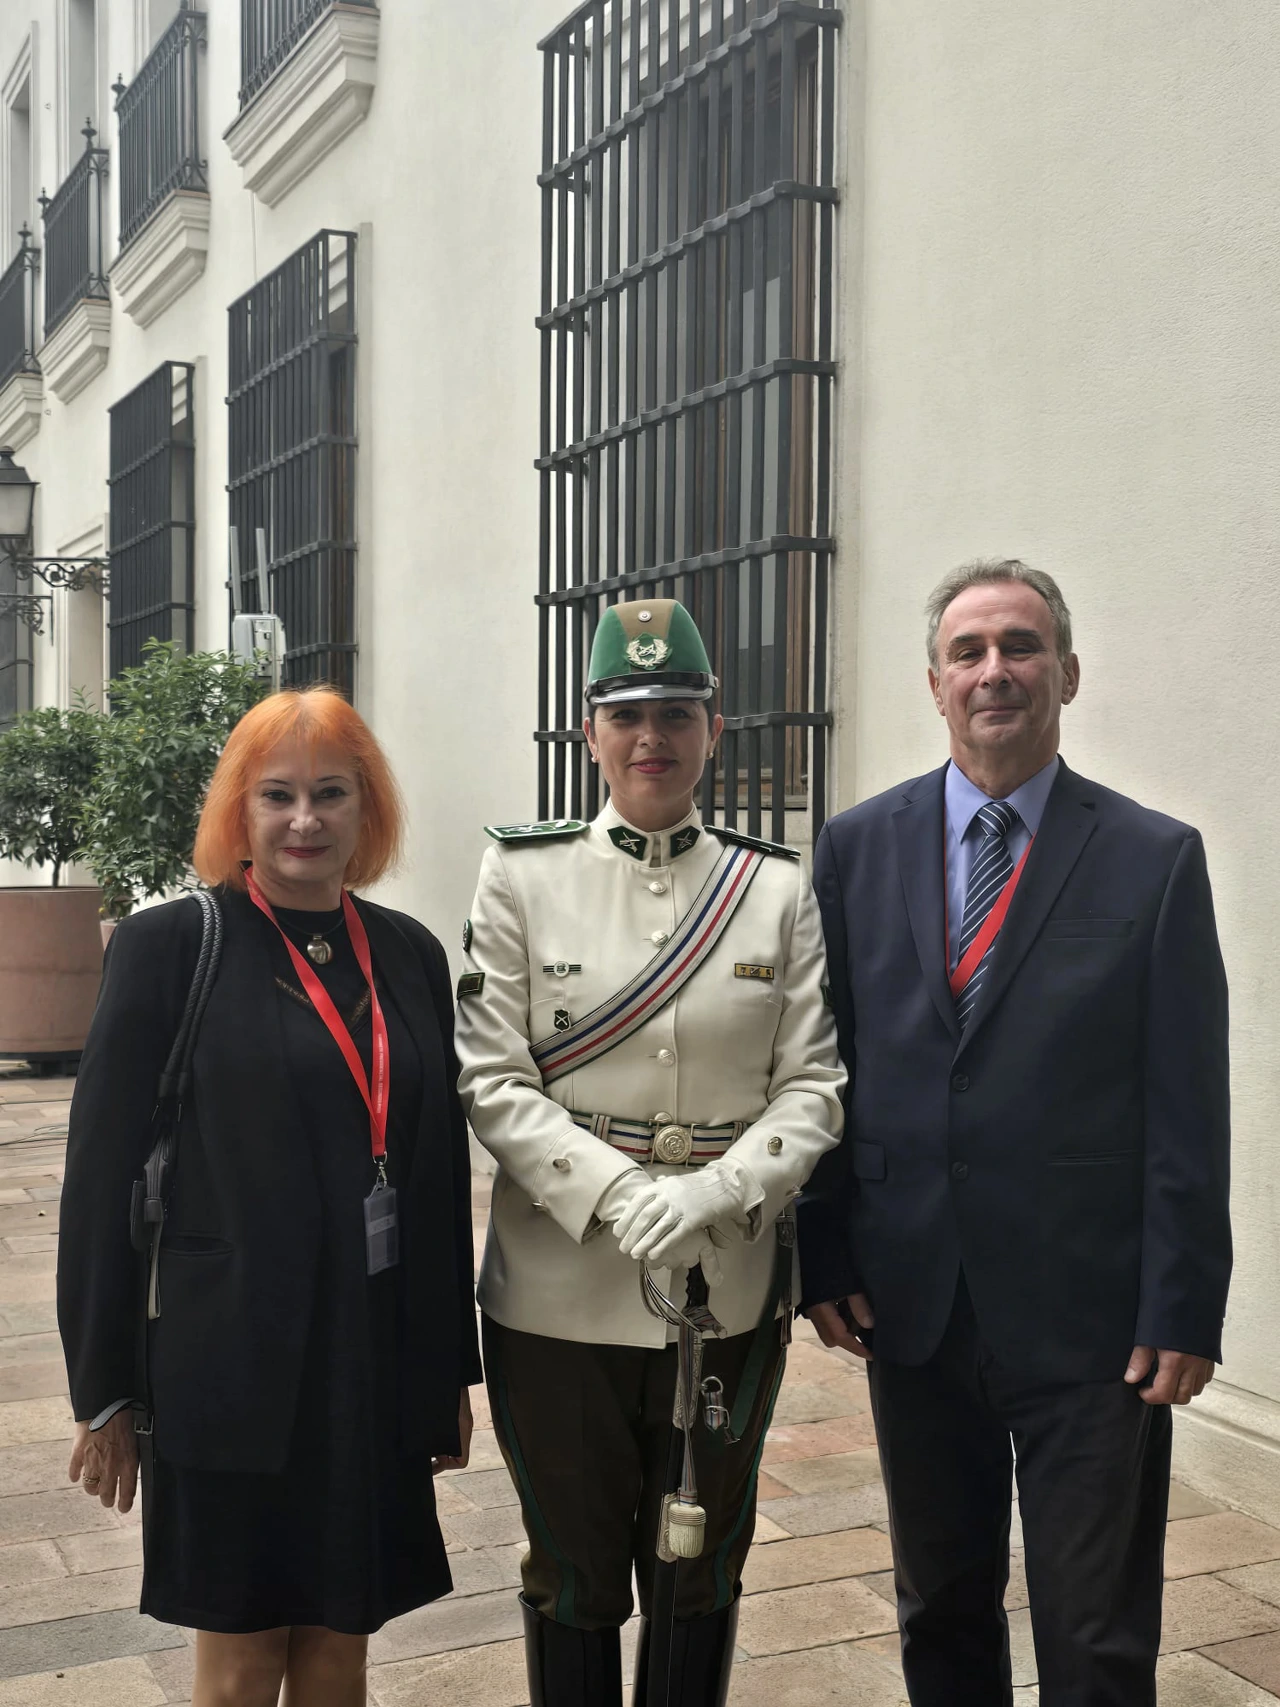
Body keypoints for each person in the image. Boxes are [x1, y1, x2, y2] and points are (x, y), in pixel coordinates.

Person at [799, 559, 1231, 1707]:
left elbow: (1188, 1100)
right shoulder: (854, 850)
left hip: (1091, 1320)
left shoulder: (1150, 858)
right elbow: (823, 1066)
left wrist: (1181, 1301)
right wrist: (822, 1250)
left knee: (1092, 1632)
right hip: (912, 1301)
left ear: (1067, 673)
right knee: (938, 1606)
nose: (996, 671)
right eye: (969, 652)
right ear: (932, 684)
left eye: (1021, 647)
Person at [453, 598, 844, 1707]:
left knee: (700, 1561)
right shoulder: (519, 877)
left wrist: (723, 1188)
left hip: (724, 1280)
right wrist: (620, 1192)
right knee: (572, 1565)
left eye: (674, 712)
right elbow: (490, 1077)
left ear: (713, 728)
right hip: (557, 1292)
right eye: (625, 715)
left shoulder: (770, 889)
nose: (650, 738)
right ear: (589, 732)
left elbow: (813, 1082)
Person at [57, 687, 481, 1707]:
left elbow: (433, 1177)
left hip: (368, 1361)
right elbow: (100, 1179)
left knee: (341, 1649)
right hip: (226, 1364)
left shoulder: (409, 954)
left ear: (365, 809)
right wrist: (104, 1387)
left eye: (331, 794)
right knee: (244, 1661)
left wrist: (442, 1371)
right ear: (238, 812)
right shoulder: (170, 949)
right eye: (278, 795)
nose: (305, 821)